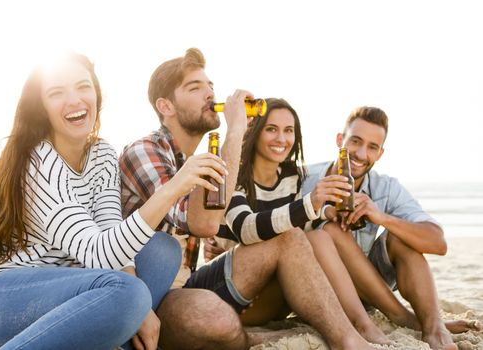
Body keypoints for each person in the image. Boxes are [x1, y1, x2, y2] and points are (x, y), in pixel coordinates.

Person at [0, 52, 221, 350]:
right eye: (56, 93)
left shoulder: (102, 154)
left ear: (96, 93)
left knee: (163, 250)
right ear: (41, 107)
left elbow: (110, 231)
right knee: (129, 293)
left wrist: (140, 310)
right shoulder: (38, 161)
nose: (74, 100)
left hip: (69, 290)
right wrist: (173, 188)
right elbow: (98, 254)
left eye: (83, 86)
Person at [120, 48, 376, 350]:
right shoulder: (145, 152)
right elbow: (203, 222)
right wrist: (237, 130)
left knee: (290, 239)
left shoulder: (200, 158)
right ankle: (251, 339)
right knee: (218, 322)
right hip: (149, 295)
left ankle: (349, 340)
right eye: (195, 87)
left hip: (186, 285)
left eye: (210, 86)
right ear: (166, 106)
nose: (209, 94)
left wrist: (323, 212)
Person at [205, 97, 392, 345]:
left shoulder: (294, 175)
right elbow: (245, 229)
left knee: (326, 233)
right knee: (298, 237)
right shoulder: (233, 175)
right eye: (271, 129)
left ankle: (370, 321)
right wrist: (311, 204)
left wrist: (325, 213)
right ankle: (359, 325)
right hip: (238, 298)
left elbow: (294, 228)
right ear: (255, 131)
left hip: (278, 292)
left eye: (288, 130)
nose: (281, 139)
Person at [301, 106, 481, 350]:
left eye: (372, 147)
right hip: (320, 290)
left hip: (369, 293)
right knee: (331, 231)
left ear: (380, 153)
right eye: (355, 141)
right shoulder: (305, 178)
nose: (361, 153)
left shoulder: (385, 187)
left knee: (400, 237)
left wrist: (381, 217)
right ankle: (404, 318)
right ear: (340, 140)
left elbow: (438, 244)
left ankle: (433, 328)